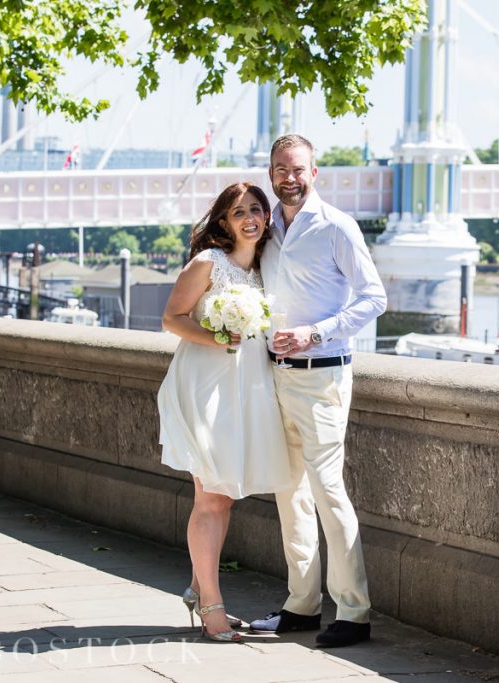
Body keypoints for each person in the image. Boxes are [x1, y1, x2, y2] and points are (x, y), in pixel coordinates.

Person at [250, 134, 387, 648]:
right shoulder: (266, 230)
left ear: (315, 173)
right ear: (270, 173)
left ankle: (353, 612)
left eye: (298, 168)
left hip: (324, 373)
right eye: (281, 168)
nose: (289, 176)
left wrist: (315, 332)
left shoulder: (337, 227)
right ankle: (301, 606)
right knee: (289, 494)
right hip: (275, 376)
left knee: (329, 493)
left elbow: (375, 298)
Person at [157, 181, 296, 642]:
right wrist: (217, 337)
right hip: (206, 388)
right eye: (240, 212)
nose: (251, 218)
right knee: (211, 495)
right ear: (224, 221)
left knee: (224, 493)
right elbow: (172, 319)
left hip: (244, 389)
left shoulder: (263, 269)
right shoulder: (207, 263)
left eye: (257, 209)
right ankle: (213, 607)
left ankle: (200, 589)